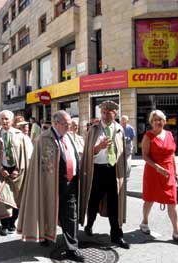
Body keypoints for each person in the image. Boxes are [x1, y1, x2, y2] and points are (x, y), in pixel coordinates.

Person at [18, 110, 85, 262]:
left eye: (70, 124)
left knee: (71, 216)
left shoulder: (69, 137)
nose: (70, 127)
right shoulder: (43, 138)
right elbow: (38, 165)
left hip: (71, 183)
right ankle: (45, 236)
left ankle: (72, 248)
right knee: (48, 212)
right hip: (51, 184)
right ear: (56, 123)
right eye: (66, 124)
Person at [79, 100, 130, 249]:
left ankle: (117, 235)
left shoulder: (119, 129)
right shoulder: (94, 129)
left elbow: (122, 152)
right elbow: (88, 152)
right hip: (97, 170)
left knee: (115, 204)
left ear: (115, 114)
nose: (105, 115)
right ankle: (89, 225)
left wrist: (124, 170)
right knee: (93, 201)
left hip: (114, 171)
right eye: (103, 112)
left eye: (109, 112)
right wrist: (98, 147)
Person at [139, 110, 178, 246]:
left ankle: (176, 232)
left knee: (172, 202)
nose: (158, 122)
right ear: (151, 122)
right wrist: (158, 168)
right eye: (155, 120)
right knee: (149, 200)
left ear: (164, 121)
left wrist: (176, 173)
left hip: (168, 173)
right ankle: (144, 222)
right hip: (153, 172)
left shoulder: (169, 134)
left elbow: (172, 155)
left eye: (160, 119)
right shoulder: (148, 136)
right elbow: (145, 156)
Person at [0, 110, 30, 236]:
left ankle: (12, 222)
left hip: (16, 170)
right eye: (2, 119)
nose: (4, 121)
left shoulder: (19, 135)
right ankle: (4, 224)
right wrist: (0, 169)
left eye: (7, 119)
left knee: (17, 197)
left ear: (12, 121)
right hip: (1, 171)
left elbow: (24, 154)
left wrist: (18, 169)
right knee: (3, 198)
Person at [120, 115, 136, 179]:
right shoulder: (119, 127)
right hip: (120, 145)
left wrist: (128, 141)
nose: (123, 121)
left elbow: (133, 136)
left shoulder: (130, 128)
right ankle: (121, 172)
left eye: (124, 120)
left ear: (127, 121)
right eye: (122, 119)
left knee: (127, 159)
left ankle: (127, 174)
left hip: (127, 145)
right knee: (120, 159)